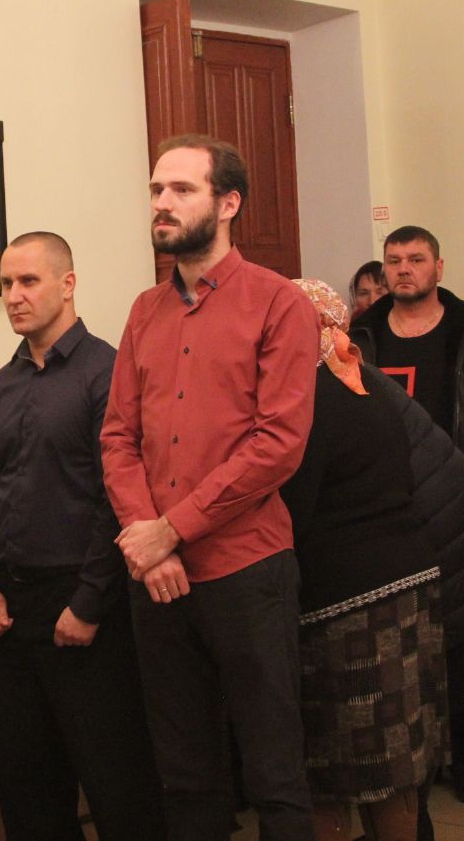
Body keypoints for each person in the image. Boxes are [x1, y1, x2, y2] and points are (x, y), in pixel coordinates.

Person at [101, 133, 318, 841]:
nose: (162, 204)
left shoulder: (278, 303)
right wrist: (149, 542)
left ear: (228, 204)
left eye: (181, 190)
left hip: (246, 569)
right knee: (184, 771)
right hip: (158, 576)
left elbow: (277, 445)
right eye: (156, 190)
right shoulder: (144, 311)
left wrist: (173, 529)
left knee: (274, 769)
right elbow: (118, 438)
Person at [0, 231, 164, 840]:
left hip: (84, 602)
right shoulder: (3, 384)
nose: (14, 296)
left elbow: (117, 496)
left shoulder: (107, 372)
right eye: (6, 284)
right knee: (27, 784)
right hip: (13, 606)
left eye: (28, 281)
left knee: (115, 780)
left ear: (68, 284)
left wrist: (88, 601)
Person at [349, 226, 464, 804]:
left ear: (439, 267)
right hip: (389, 512)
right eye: (394, 261)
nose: (404, 269)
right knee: (403, 645)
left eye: (416, 259)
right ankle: (417, 765)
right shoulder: (362, 336)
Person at [281, 280, 446, 841]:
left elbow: (293, 511)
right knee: (395, 765)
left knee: (331, 770)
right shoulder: (363, 379)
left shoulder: (304, 394)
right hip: (407, 580)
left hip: (345, 603)